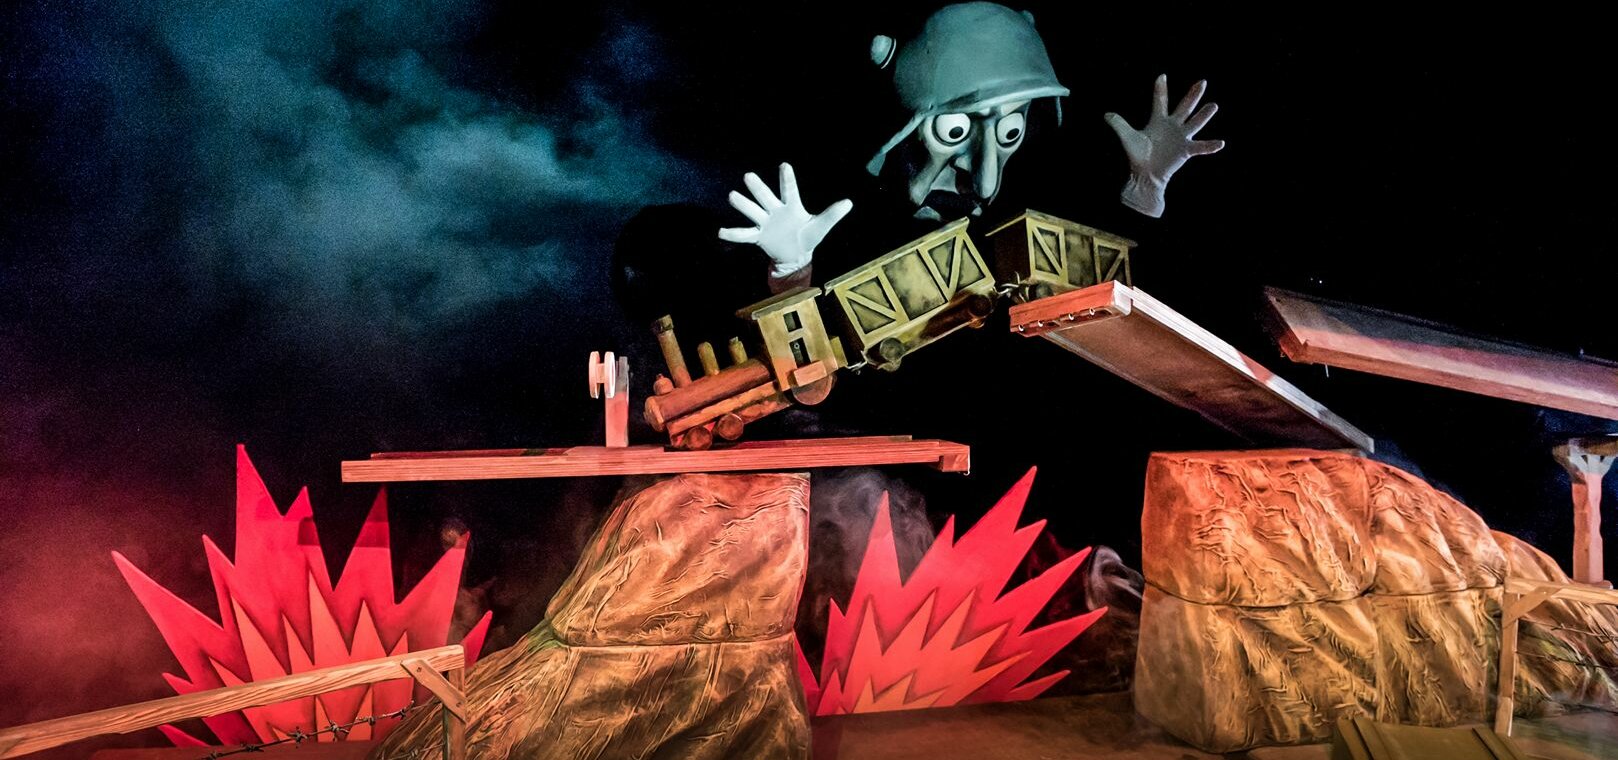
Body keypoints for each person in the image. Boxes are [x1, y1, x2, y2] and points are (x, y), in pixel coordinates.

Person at [717, 2, 1224, 294]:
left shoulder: (1028, 216)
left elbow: (1115, 295)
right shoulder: (843, 211)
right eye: (955, 132)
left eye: (1008, 134)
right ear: (908, 128)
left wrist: (1143, 195)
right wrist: (792, 273)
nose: (982, 179)